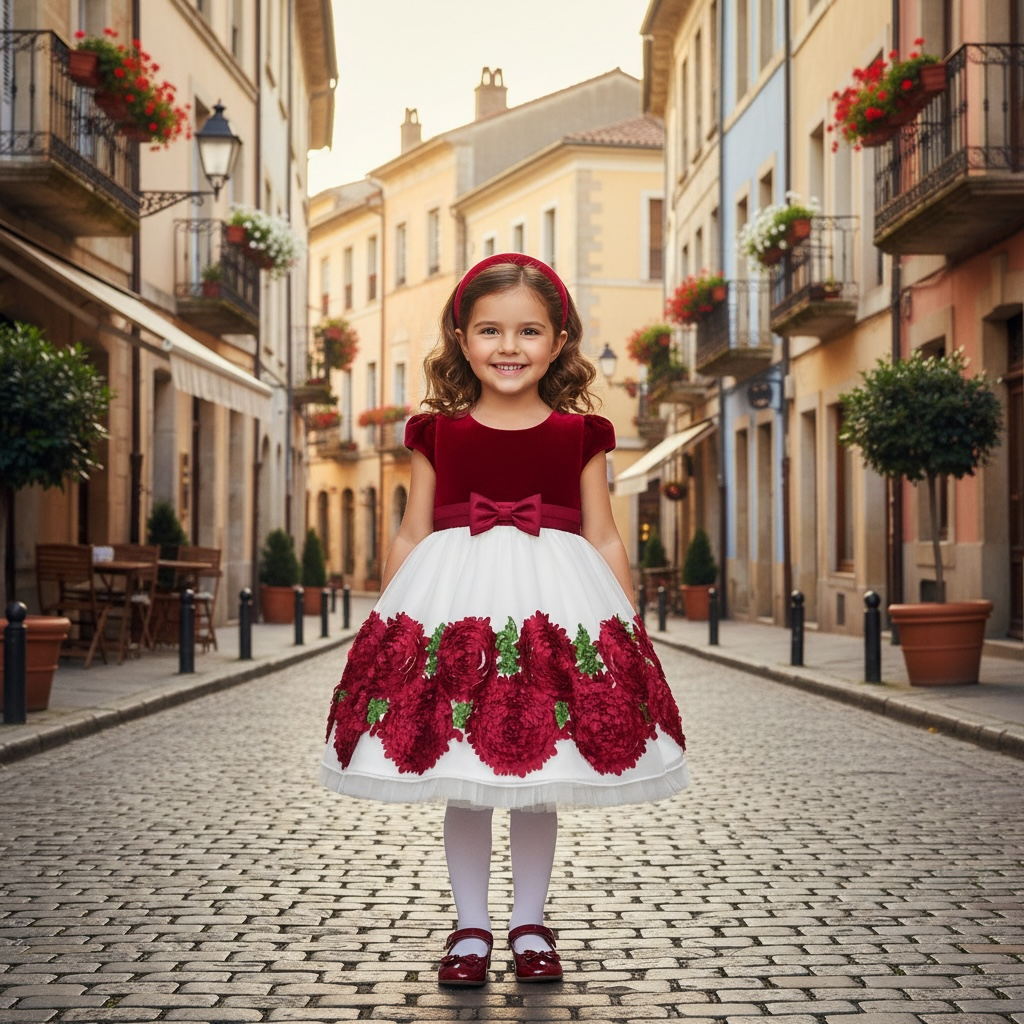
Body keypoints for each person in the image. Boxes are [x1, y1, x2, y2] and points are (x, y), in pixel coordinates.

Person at [319, 252, 690, 987]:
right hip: (455, 611)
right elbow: (410, 530)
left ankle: (529, 923)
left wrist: (627, 624)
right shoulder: (435, 432)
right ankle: (470, 927)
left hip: (556, 609)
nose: (509, 347)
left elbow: (605, 533)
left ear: (559, 342)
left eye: (529, 331)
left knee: (537, 773)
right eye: (490, 330)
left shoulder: (582, 435)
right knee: (464, 774)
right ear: (461, 338)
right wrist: (388, 623)